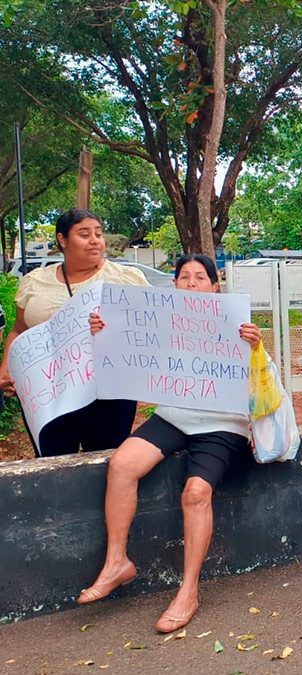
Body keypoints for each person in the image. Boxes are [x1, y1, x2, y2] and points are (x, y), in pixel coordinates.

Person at [76, 254, 262, 633]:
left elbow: (262, 380)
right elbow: (127, 350)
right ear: (174, 284)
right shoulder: (159, 321)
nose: (191, 283)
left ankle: (188, 591)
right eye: (184, 277)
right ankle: (117, 562)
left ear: (215, 286)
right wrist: (103, 332)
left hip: (222, 422)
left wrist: (255, 346)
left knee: (196, 493)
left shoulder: (237, 324)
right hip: (175, 414)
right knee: (122, 464)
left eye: (200, 277)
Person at [0, 209, 149, 456]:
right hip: (46, 395)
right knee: (52, 463)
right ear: (62, 239)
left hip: (108, 395)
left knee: (103, 463)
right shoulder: (35, 281)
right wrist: (6, 369)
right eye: (84, 234)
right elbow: (18, 330)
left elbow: (148, 330)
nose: (95, 240)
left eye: (98, 234)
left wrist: (113, 329)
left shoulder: (126, 279)